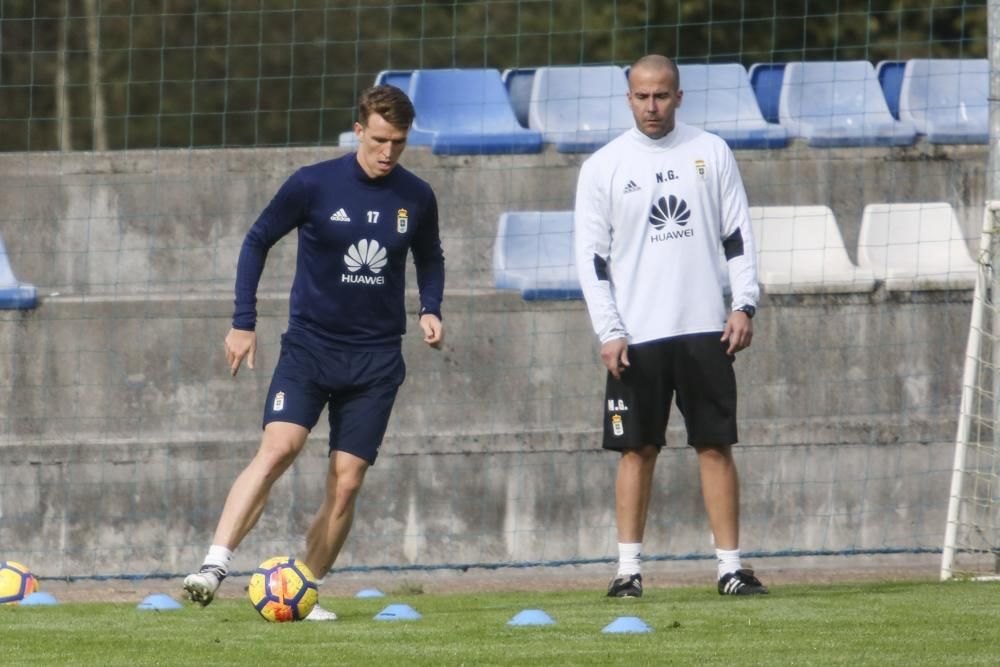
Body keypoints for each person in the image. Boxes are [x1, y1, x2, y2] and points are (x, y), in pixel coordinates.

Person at [183, 84, 445, 619]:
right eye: (377, 140)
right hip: (310, 347)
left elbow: (430, 257)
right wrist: (243, 323)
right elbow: (257, 239)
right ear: (358, 131)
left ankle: (304, 588)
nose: (387, 152)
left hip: (375, 360)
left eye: (397, 142)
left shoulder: (416, 196)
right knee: (279, 447)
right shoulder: (312, 184)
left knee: (345, 484)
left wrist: (430, 307)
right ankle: (213, 564)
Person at [573, 55, 767, 598]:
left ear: (678, 96)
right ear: (628, 98)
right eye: (642, 96)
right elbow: (592, 261)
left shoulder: (711, 152)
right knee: (637, 449)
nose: (652, 106)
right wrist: (608, 330)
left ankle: (730, 568)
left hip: (706, 327)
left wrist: (743, 303)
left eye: (662, 96)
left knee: (715, 444)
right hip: (637, 335)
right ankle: (627, 571)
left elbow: (738, 236)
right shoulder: (603, 167)